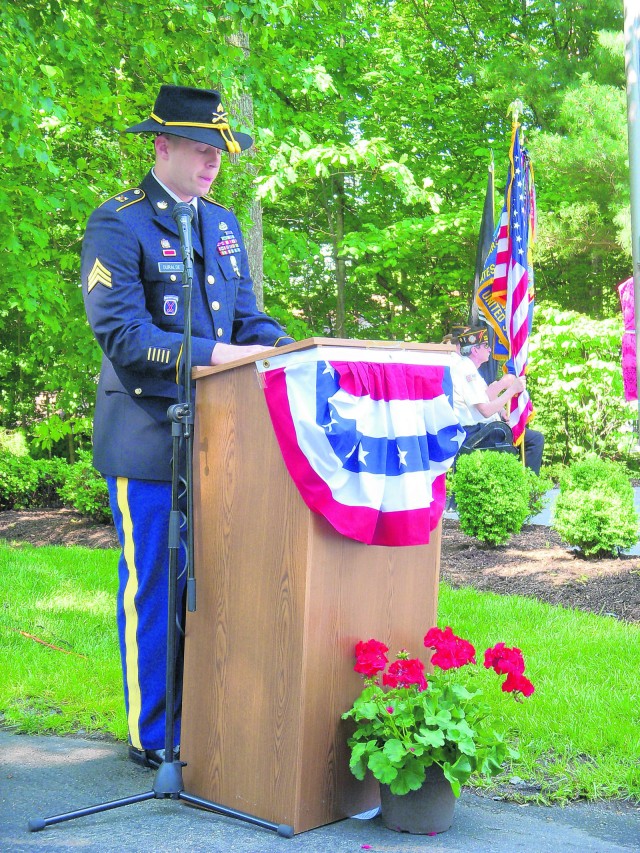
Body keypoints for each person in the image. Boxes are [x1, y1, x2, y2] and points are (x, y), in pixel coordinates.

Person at [81, 84, 295, 769]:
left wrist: (291, 351)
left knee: (218, 581)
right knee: (156, 585)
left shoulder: (223, 225)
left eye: (219, 154)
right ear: (161, 146)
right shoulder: (119, 223)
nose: (212, 165)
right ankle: (158, 733)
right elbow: (123, 334)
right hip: (146, 436)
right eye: (201, 151)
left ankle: (211, 714)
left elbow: (247, 319)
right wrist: (222, 355)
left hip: (224, 441)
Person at [449, 327, 544, 474]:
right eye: (486, 345)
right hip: (474, 432)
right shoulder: (466, 371)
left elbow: (486, 397)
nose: (489, 349)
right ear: (475, 350)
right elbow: (485, 410)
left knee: (529, 437)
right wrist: (511, 390)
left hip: (482, 428)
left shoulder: (470, 369)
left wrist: (501, 411)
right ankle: (529, 491)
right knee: (534, 440)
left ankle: (520, 486)